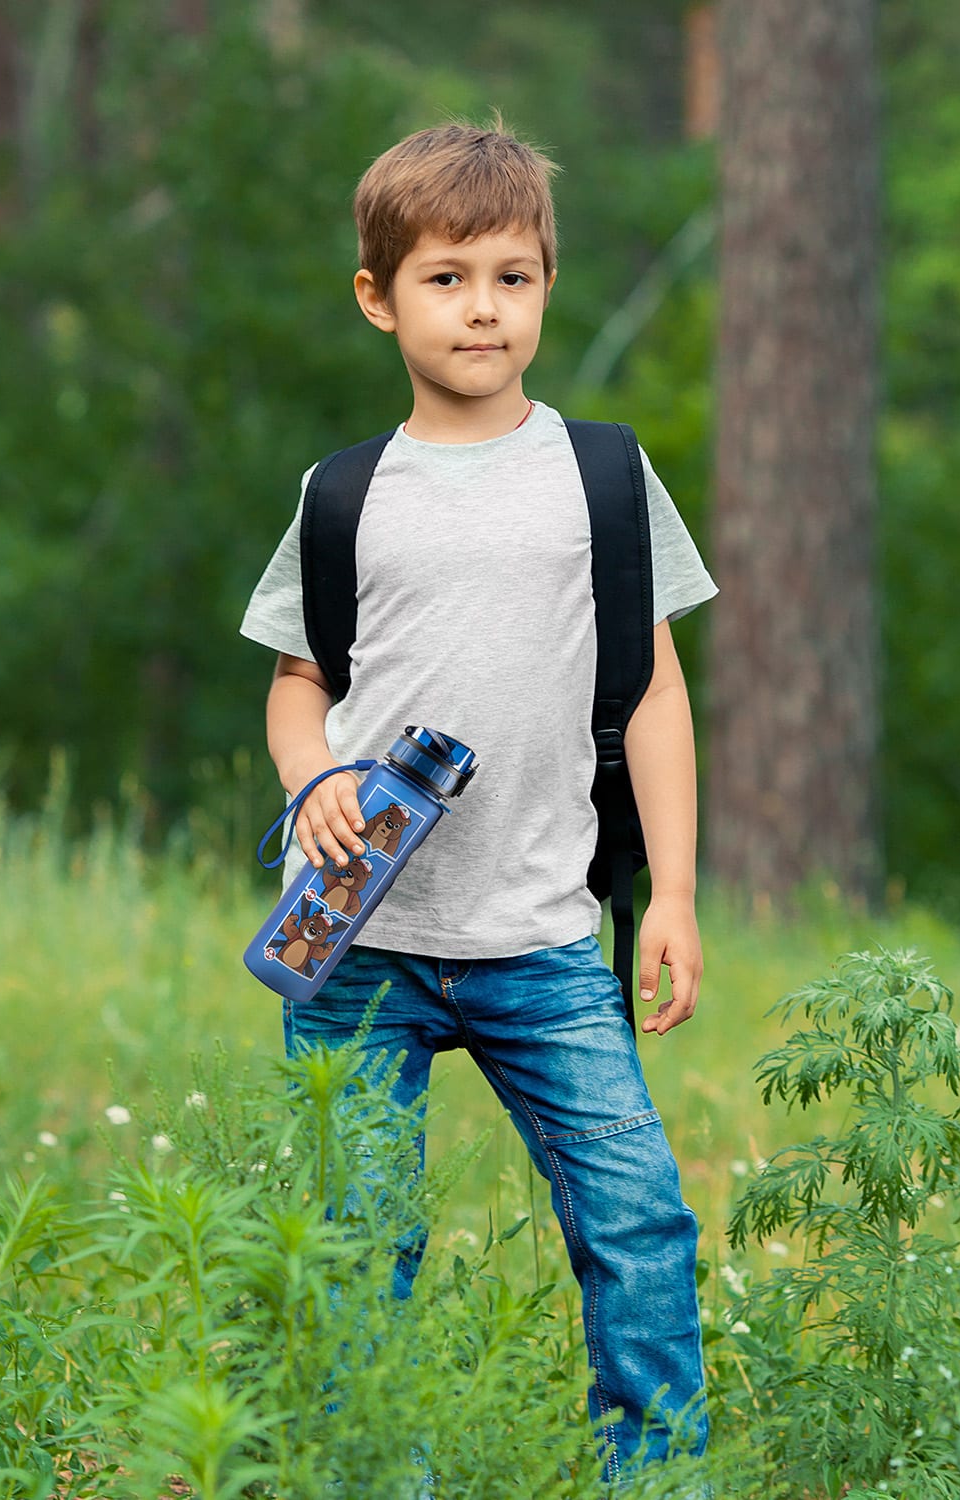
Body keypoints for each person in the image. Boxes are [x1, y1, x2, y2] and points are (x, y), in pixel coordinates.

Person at [240, 118, 717, 1481]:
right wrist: (314, 773)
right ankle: (371, 1470)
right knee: (356, 1234)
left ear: (549, 287)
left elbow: (660, 695)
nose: (482, 307)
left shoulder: (604, 479)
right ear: (377, 298)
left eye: (513, 275)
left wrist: (671, 891)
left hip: (546, 937)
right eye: (446, 278)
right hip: (357, 943)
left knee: (636, 1220)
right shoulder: (346, 496)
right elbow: (294, 683)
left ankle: (656, 1469)